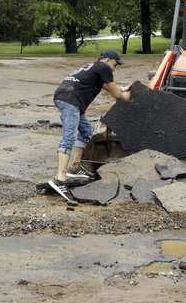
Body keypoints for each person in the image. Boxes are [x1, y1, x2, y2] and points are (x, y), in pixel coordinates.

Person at [49, 48, 131, 202]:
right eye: (115, 64)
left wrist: (120, 88)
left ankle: (75, 167)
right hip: (70, 100)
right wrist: (124, 95)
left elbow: (107, 86)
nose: (115, 68)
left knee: (86, 131)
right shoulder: (104, 67)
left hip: (67, 97)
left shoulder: (95, 67)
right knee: (69, 137)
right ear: (108, 60)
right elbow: (116, 94)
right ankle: (60, 179)